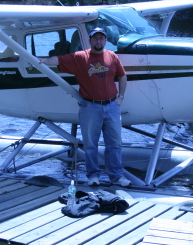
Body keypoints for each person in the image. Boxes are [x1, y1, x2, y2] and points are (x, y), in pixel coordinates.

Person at [39, 27, 130, 187]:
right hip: (90, 107)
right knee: (90, 144)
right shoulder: (80, 57)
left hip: (112, 106)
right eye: (95, 38)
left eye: (101, 38)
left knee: (115, 144)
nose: (98, 41)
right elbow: (59, 60)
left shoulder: (112, 56)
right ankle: (93, 176)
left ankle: (117, 176)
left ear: (105, 41)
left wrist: (120, 97)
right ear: (90, 41)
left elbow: (122, 76)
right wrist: (43, 60)